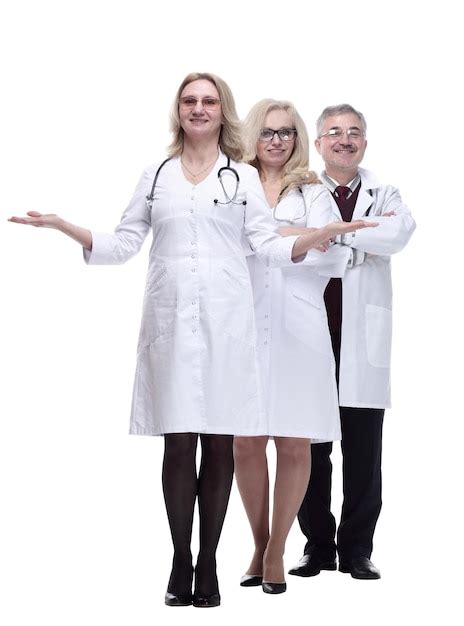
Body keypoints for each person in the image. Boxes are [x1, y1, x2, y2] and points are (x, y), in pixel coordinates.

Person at [8, 78, 374, 607]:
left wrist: (322, 234)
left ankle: (209, 564)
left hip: (228, 322)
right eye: (189, 101)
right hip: (172, 321)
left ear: (222, 111)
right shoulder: (156, 175)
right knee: (178, 442)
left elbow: (267, 246)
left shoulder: (242, 177)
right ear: (177, 111)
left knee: (222, 442)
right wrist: (70, 229)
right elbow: (126, 242)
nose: (198, 109)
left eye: (208, 100)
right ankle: (181, 558)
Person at [233, 99, 368, 595]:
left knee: (294, 441)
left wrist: (283, 239)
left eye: (287, 132)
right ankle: (257, 540)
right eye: (267, 132)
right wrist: (300, 237)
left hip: (300, 326)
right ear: (252, 136)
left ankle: (276, 551)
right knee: (245, 440)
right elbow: (230, 247)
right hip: (243, 324)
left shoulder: (312, 190)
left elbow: (332, 257)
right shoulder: (234, 184)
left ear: (297, 139)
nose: (277, 140)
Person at [288, 103, 416, 580]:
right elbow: (290, 238)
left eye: (354, 132)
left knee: (364, 448)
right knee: (310, 447)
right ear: (319, 143)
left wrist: (331, 238)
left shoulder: (387, 192)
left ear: (364, 142)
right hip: (311, 332)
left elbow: (398, 233)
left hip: (361, 335)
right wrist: (356, 238)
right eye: (334, 132)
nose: (345, 139)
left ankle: (357, 549)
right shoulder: (300, 191)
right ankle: (317, 546)